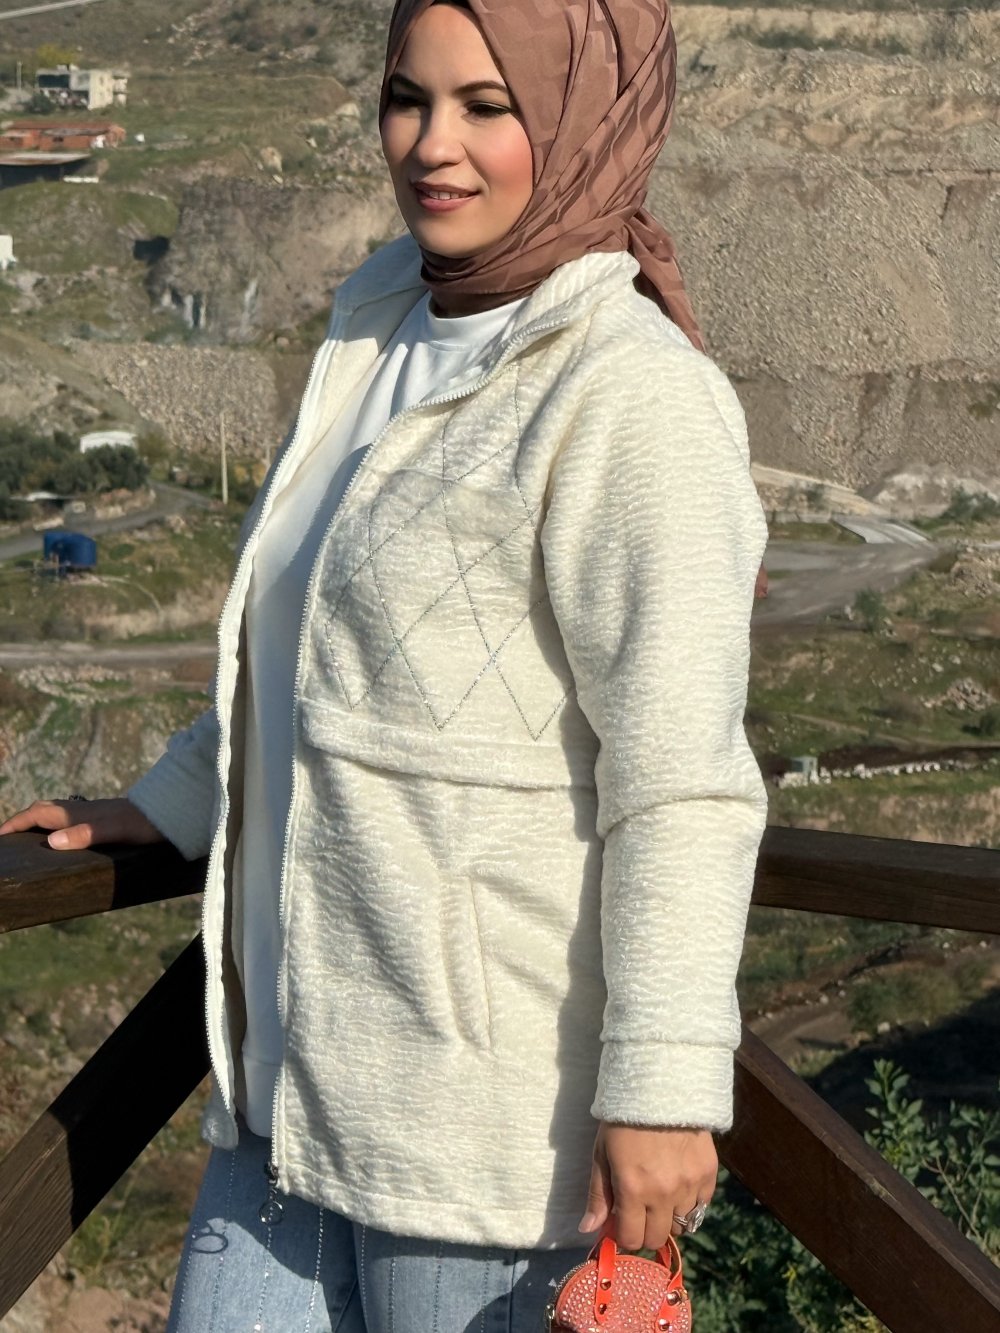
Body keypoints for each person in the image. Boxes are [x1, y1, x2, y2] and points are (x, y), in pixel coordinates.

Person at [0, 1, 768, 1328]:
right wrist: (172, 803)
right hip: (287, 1097)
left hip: (483, 1143)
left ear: (587, 121)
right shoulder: (378, 323)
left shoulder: (629, 391)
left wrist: (661, 1082)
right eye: (409, 98)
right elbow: (304, 636)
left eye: (489, 106)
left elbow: (681, 777)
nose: (431, 144)